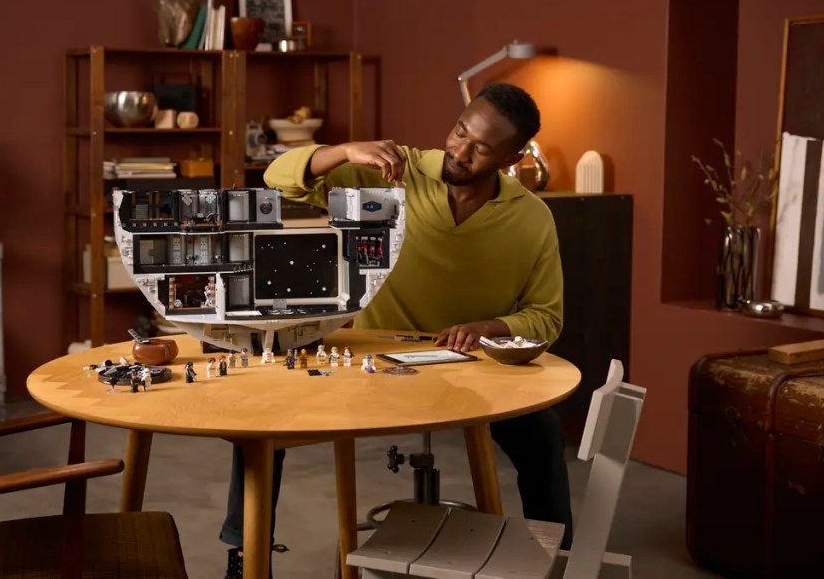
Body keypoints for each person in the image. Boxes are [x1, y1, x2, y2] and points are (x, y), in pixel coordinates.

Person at [219, 83, 572, 575]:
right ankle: (245, 556)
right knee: (263, 419)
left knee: (542, 432)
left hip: (469, 369)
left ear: (512, 158)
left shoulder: (533, 219)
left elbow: (546, 315)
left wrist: (491, 325)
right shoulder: (391, 169)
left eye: (481, 147)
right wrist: (342, 151)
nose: (460, 151)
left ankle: (556, 563)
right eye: (459, 132)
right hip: (370, 360)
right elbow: (279, 180)